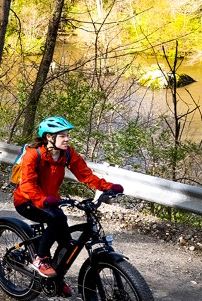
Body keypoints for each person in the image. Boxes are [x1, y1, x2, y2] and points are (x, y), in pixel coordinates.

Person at [13, 116, 123, 289]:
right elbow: (27, 184)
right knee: (56, 220)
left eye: (67, 135)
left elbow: (85, 175)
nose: (67, 139)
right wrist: (42, 200)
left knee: (66, 242)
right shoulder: (33, 155)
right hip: (27, 200)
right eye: (62, 136)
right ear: (49, 137)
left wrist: (108, 187)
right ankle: (40, 259)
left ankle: (55, 278)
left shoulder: (68, 153)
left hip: (51, 201)